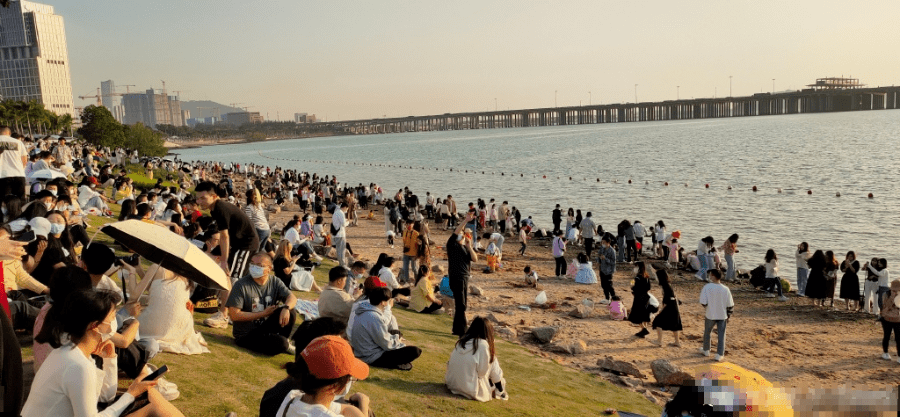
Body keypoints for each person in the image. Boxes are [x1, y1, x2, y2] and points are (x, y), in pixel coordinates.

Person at [24, 289, 185, 417]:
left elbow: (104, 397)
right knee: (153, 403)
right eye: (112, 318)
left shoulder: (70, 350)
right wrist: (131, 394)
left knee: (151, 397)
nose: (114, 325)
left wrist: (109, 359)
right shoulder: (78, 365)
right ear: (95, 326)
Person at [196, 181, 260, 329]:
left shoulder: (220, 208)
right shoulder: (215, 208)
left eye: (203, 198)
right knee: (229, 277)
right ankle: (231, 313)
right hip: (238, 244)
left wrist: (224, 260)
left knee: (232, 278)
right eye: (198, 198)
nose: (199, 202)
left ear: (214, 196)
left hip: (246, 245)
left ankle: (224, 316)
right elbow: (226, 235)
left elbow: (224, 236)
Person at [275, 335, 371, 417]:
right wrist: (364, 404)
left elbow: (345, 409)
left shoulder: (292, 397)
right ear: (334, 386)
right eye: (351, 379)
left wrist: (362, 401)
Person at [226, 253, 298, 356]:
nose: (254, 267)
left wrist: (286, 308)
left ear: (269, 269)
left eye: (259, 265)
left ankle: (283, 340)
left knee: (291, 311)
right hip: (246, 335)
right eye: (252, 264)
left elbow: (292, 298)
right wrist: (262, 314)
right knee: (281, 344)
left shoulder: (274, 281)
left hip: (264, 326)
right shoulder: (241, 285)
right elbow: (234, 315)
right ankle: (282, 343)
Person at [137, 266, 210, 355]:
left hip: (153, 325)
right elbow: (154, 287)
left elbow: (138, 292)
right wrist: (138, 269)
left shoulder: (156, 267)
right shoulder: (187, 274)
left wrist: (132, 272)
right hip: (181, 327)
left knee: (132, 315)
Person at [350, 286, 422, 370]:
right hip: (370, 356)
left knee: (396, 335)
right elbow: (386, 344)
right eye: (387, 301)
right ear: (383, 302)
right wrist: (398, 342)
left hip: (363, 351)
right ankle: (394, 363)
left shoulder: (364, 311)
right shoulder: (374, 317)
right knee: (415, 351)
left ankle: (397, 362)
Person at [445, 316, 508, 402]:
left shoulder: (462, 341)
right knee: (493, 360)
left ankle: (498, 387)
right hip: (470, 389)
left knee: (491, 359)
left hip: (452, 384)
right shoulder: (483, 345)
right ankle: (500, 389)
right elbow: (482, 373)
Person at [447, 212, 477, 336]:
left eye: (463, 234)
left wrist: (469, 247)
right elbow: (456, 232)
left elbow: (475, 259)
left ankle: (456, 329)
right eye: (461, 234)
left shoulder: (465, 248)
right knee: (461, 305)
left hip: (464, 278)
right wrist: (465, 221)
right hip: (457, 277)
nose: (462, 236)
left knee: (461, 305)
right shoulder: (451, 245)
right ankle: (462, 330)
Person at [699, 269, 734, 362]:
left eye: (710, 275)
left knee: (707, 332)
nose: (709, 276)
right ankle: (719, 354)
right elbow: (730, 304)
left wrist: (707, 307)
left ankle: (706, 350)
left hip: (710, 314)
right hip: (722, 315)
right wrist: (729, 315)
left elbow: (703, 301)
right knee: (721, 335)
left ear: (713, 276)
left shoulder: (707, 287)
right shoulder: (725, 289)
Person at [651, 270, 683, 347]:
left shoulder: (665, 285)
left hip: (670, 305)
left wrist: (662, 309)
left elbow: (667, 299)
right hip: (673, 305)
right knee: (674, 323)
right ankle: (677, 342)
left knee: (657, 321)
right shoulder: (667, 284)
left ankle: (659, 341)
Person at [627, 261, 653, 338]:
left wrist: (632, 282)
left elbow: (633, 286)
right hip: (645, 297)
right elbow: (649, 287)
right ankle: (643, 330)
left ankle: (644, 329)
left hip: (638, 298)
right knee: (643, 314)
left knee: (637, 315)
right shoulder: (646, 276)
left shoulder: (637, 277)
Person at [0, 126, 27, 197]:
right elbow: (24, 160)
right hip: (19, 175)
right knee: (18, 201)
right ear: (9, 133)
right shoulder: (18, 142)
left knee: (4, 202)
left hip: (3, 175)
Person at [878, 280, 900, 363]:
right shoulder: (886, 295)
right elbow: (885, 308)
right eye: (893, 290)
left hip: (898, 319)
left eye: (897, 290)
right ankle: (885, 352)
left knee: (898, 338)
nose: (895, 292)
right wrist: (892, 298)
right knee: (886, 336)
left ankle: (899, 356)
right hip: (887, 318)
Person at [244, 188, 271, 253]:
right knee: (261, 249)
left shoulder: (249, 207)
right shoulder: (259, 206)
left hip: (260, 229)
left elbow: (249, 222)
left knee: (255, 249)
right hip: (266, 229)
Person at [598, 235, 617, 304]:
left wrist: (605, 258)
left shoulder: (612, 251)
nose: (603, 244)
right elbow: (599, 255)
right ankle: (607, 298)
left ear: (608, 242)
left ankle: (614, 298)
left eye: (604, 242)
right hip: (602, 269)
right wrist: (599, 261)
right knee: (603, 285)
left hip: (609, 270)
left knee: (609, 285)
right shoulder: (602, 249)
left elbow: (613, 262)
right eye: (602, 242)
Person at [331, 202, 350, 268]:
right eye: (347, 209)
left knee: (339, 250)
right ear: (344, 207)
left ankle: (340, 263)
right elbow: (344, 224)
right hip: (340, 234)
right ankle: (343, 264)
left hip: (336, 234)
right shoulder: (341, 213)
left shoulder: (335, 212)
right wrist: (348, 222)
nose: (346, 210)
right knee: (342, 250)